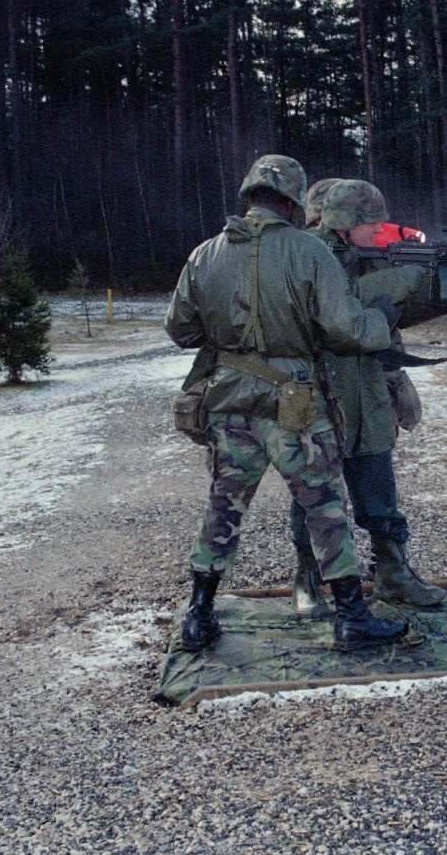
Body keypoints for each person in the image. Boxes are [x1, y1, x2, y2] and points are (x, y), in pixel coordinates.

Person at [164, 155, 408, 653]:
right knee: (324, 507)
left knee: (223, 507)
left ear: (249, 194)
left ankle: (197, 616)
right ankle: (352, 618)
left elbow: (180, 329)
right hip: (292, 404)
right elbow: (344, 328)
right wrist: (382, 319)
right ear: (296, 202)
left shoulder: (204, 254)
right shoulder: (309, 252)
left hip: (229, 400)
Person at [288, 179, 447, 615]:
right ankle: (308, 577)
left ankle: (392, 572)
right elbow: (335, 308)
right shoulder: (307, 253)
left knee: (380, 492)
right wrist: (402, 276)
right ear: (346, 222)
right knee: (313, 495)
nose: (380, 230)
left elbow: (404, 307)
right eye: (371, 223)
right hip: (320, 394)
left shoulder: (368, 256)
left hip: (368, 389)